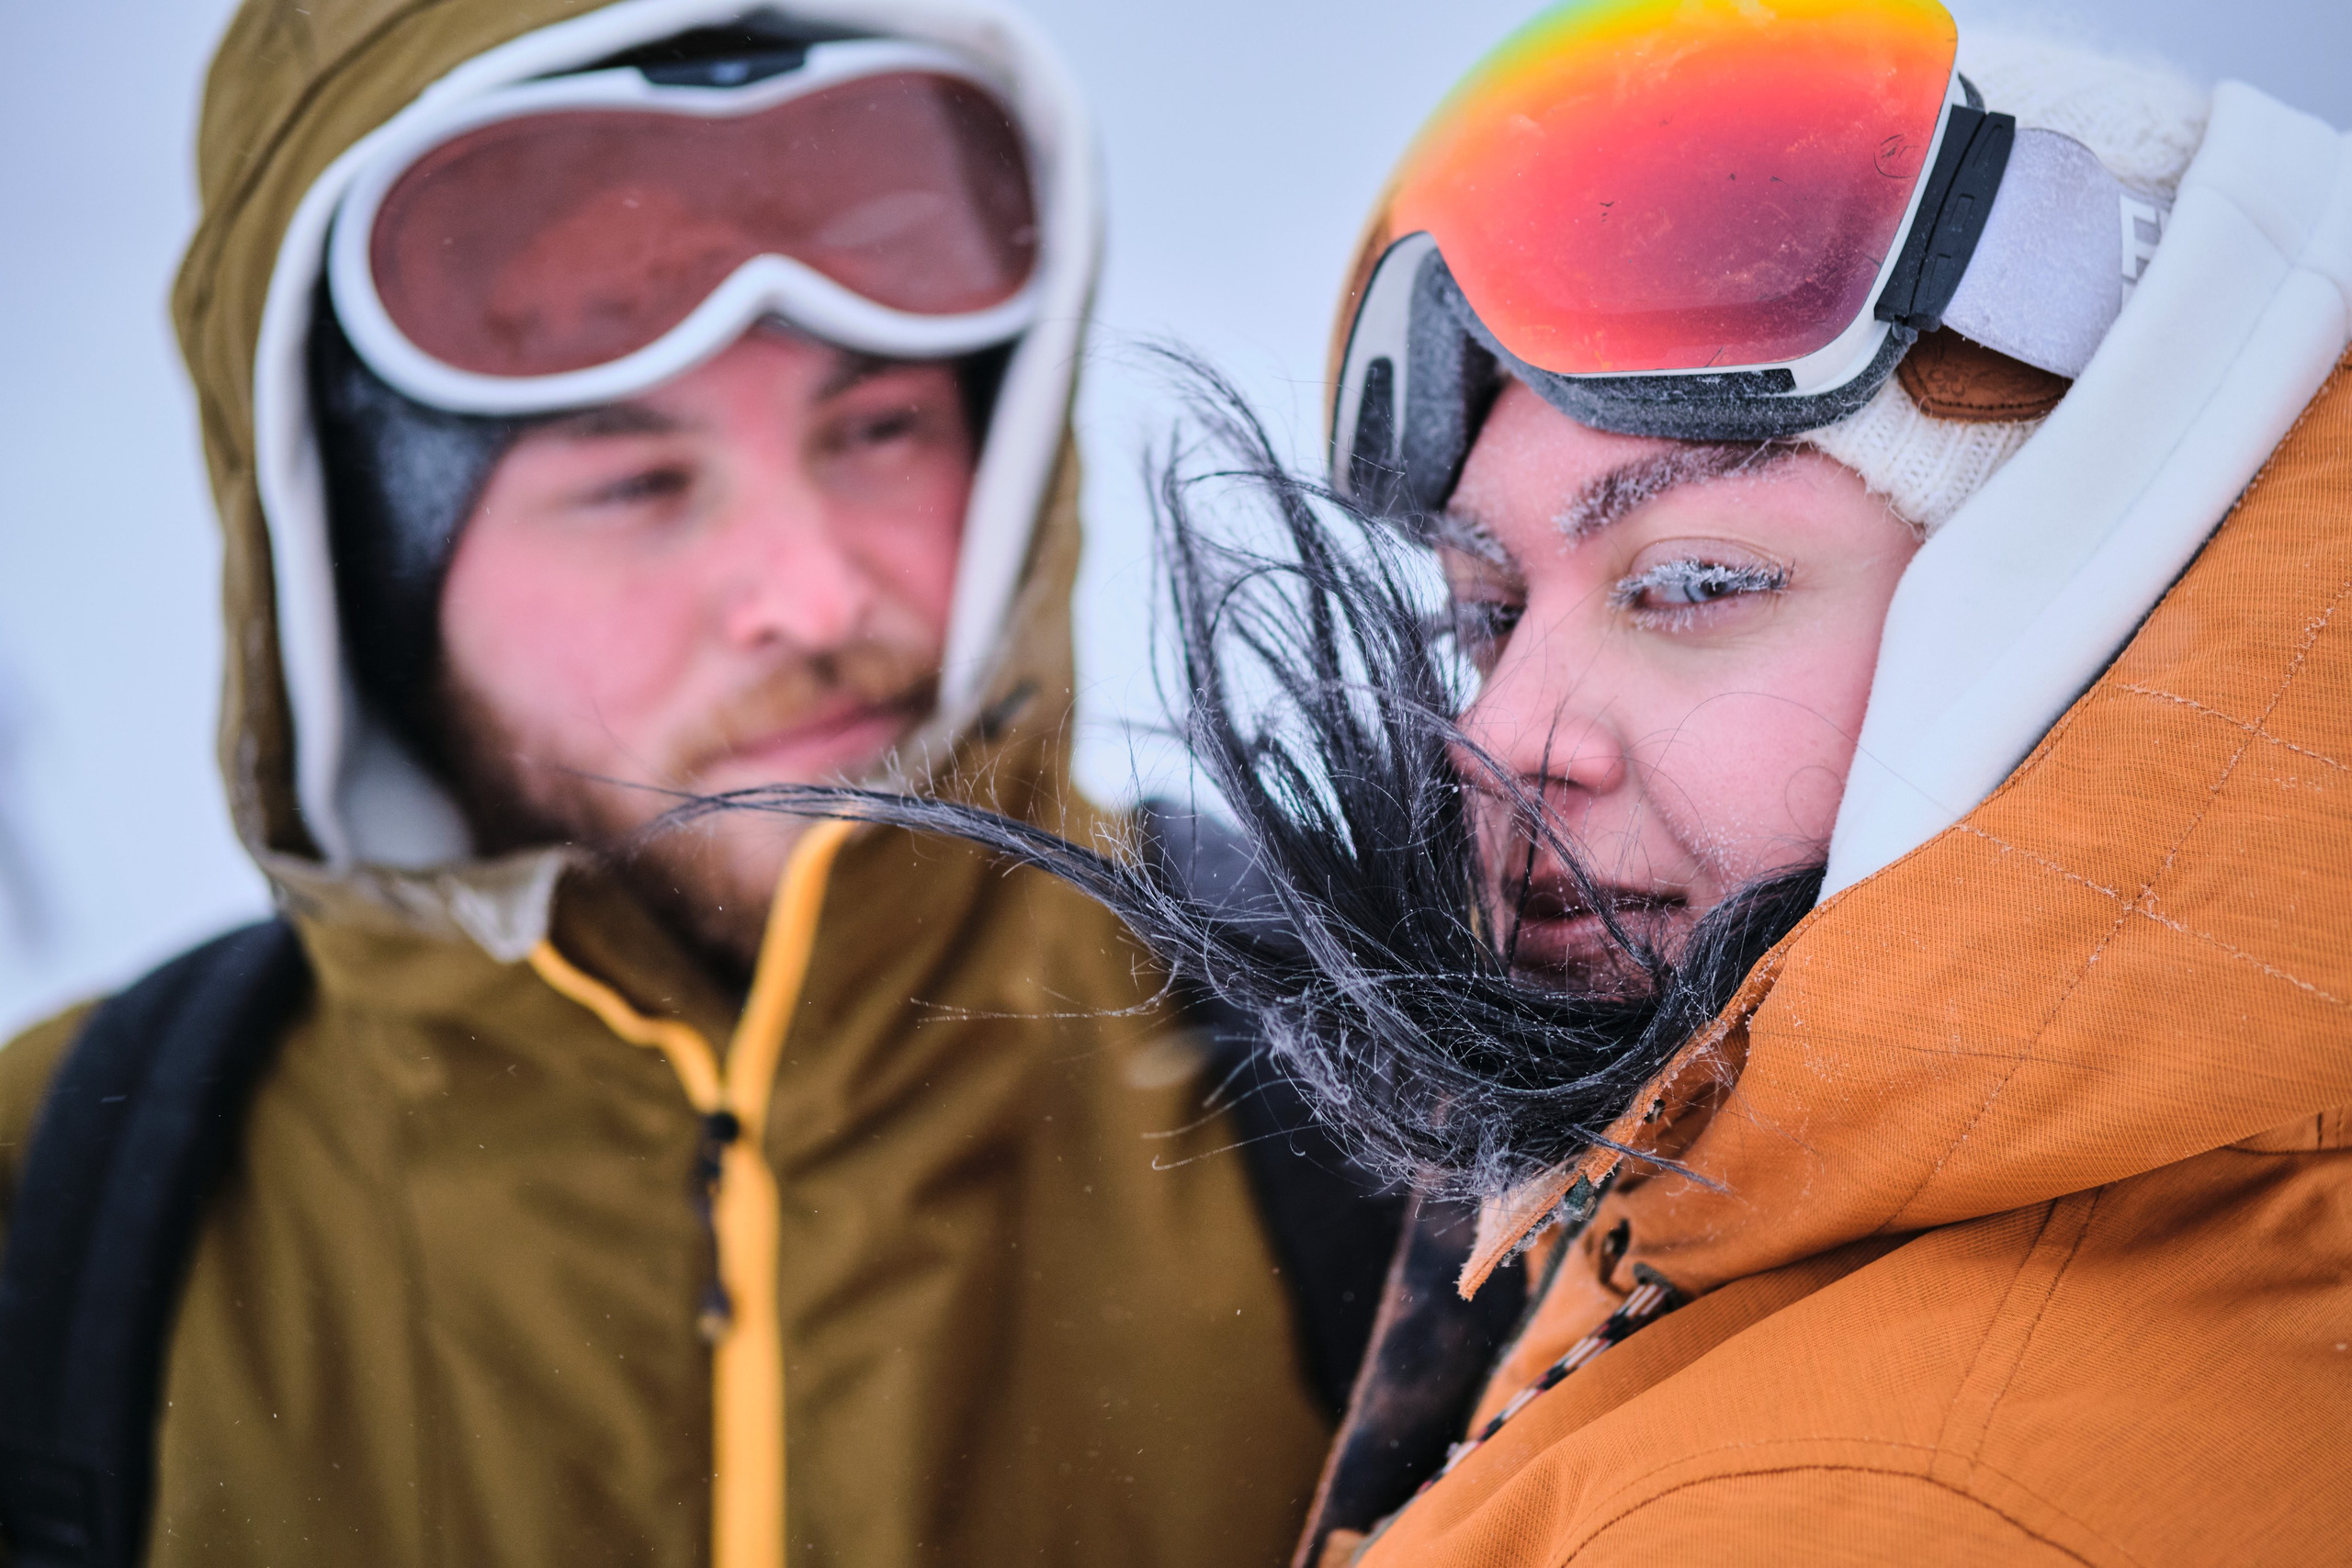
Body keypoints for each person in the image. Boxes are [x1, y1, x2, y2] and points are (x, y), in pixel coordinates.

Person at [749, 4, 2352, 1562]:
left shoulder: (1869, 1502)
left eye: (1697, 582)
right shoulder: (1811, 1262)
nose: (1502, 736)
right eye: (1488, 614)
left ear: (2122, 587)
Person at [0, 3, 1402, 1565]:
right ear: (372, 591)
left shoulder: (1367, 1098)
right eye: (637, 484)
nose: (809, 595)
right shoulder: (68, 1220)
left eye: (876, 428)